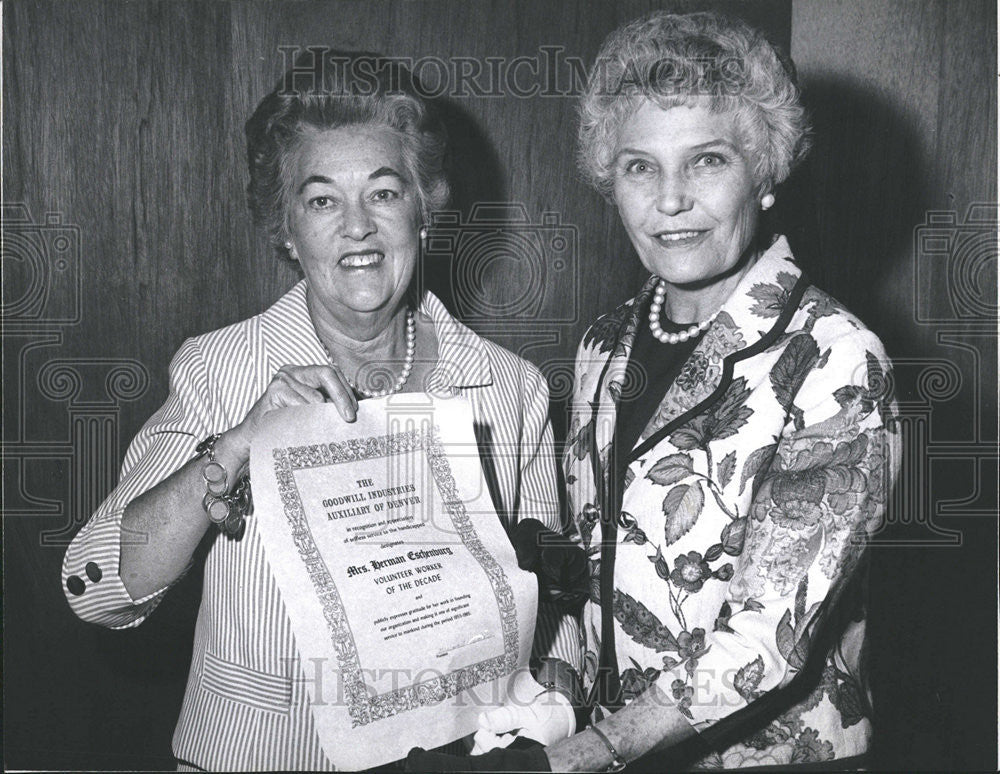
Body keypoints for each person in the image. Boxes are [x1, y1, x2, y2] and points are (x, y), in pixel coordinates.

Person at [61, 53, 581, 771]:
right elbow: (91, 589)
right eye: (322, 200)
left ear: (426, 210)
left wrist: (551, 703)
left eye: (385, 193)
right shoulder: (220, 369)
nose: (358, 228)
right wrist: (238, 446)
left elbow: (553, 610)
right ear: (285, 229)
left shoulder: (510, 388)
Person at [409, 11, 899, 772]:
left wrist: (582, 755)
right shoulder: (604, 345)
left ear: (765, 173)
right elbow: (593, 561)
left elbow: (767, 641)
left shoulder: (835, 358)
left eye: (706, 161)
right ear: (612, 180)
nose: (670, 200)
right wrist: (550, 694)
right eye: (640, 166)